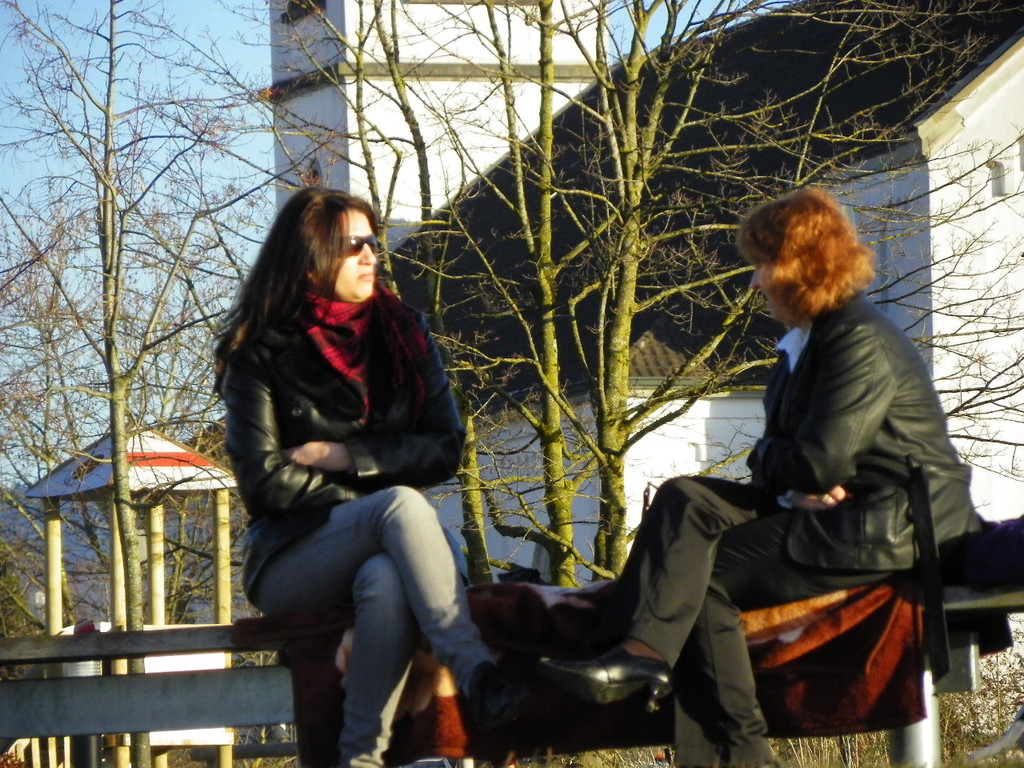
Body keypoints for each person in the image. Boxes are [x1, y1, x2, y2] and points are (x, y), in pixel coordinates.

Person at [538, 186, 982, 767]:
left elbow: (817, 463)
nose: (753, 283)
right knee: (684, 496)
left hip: (894, 524)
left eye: (762, 265)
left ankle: (741, 754)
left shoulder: (857, 339)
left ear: (802, 267)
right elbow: (782, 459)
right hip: (839, 508)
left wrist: (794, 469)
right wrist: (792, 471)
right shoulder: (810, 341)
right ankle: (638, 652)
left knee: (704, 576)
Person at [215, 187, 530, 768]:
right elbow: (264, 483)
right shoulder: (258, 352)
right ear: (310, 257)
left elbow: (445, 448)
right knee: (400, 507)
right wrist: (376, 503)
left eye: (372, 242)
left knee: (385, 576)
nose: (369, 255)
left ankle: (358, 758)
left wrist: (346, 456)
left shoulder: (403, 333)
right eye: (351, 245)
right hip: (291, 553)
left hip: (390, 549)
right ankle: (475, 672)